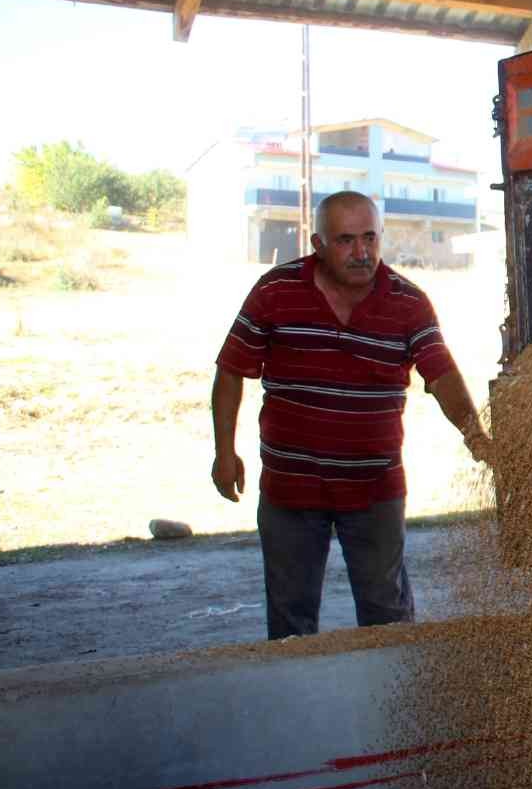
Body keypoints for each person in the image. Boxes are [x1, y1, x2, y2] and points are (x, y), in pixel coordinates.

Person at [210, 190, 491, 639]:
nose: (362, 254)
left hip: (374, 488)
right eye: (345, 241)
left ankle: (394, 706)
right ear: (318, 244)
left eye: (369, 239)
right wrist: (225, 452)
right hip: (291, 486)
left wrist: (476, 436)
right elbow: (230, 370)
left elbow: (441, 374)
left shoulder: (407, 301)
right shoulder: (276, 290)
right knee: (290, 619)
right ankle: (300, 704)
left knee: (387, 615)